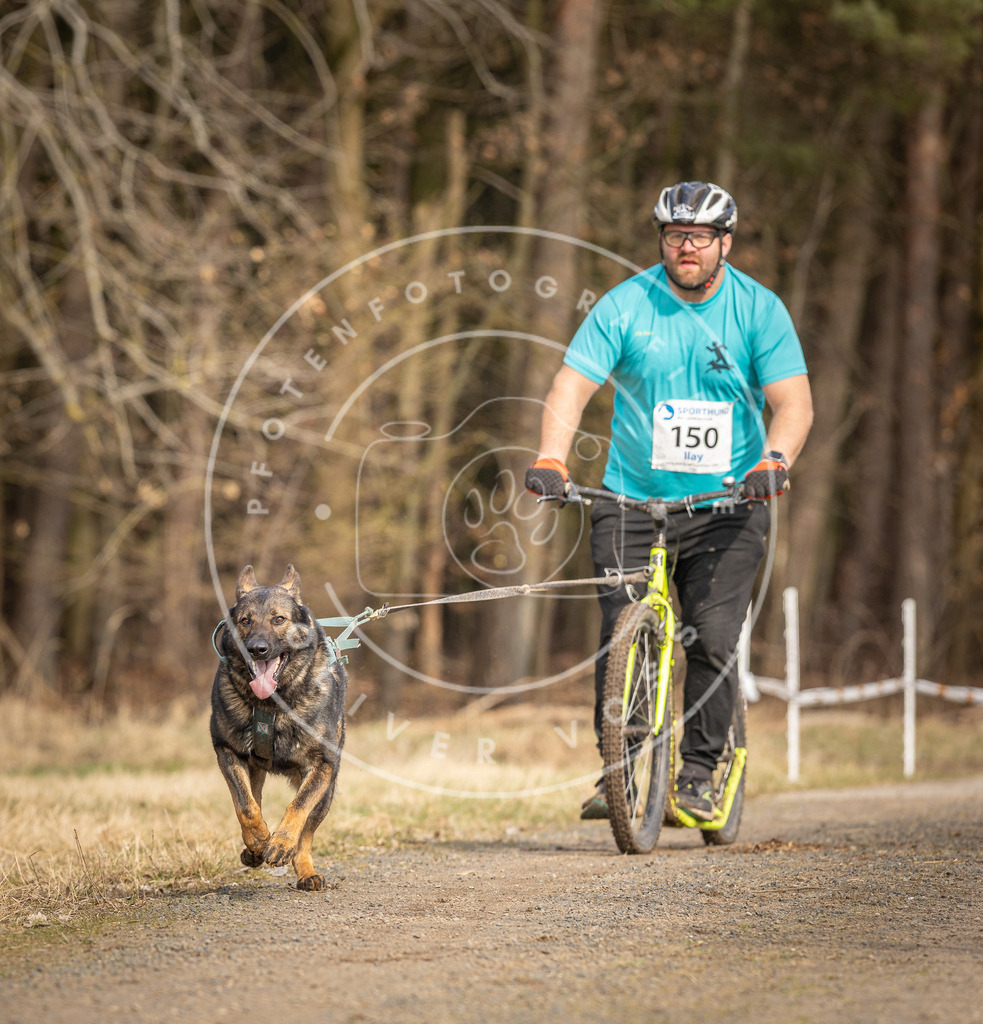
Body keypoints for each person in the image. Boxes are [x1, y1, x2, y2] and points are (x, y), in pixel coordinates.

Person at [525, 181, 813, 821]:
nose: (685, 247)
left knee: (710, 637)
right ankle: (619, 772)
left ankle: (702, 772)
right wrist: (551, 456)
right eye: (674, 235)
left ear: (724, 243)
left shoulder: (757, 310)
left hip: (728, 504)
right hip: (629, 499)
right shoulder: (625, 306)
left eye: (700, 238)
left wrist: (775, 460)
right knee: (618, 635)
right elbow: (570, 387)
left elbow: (793, 402)